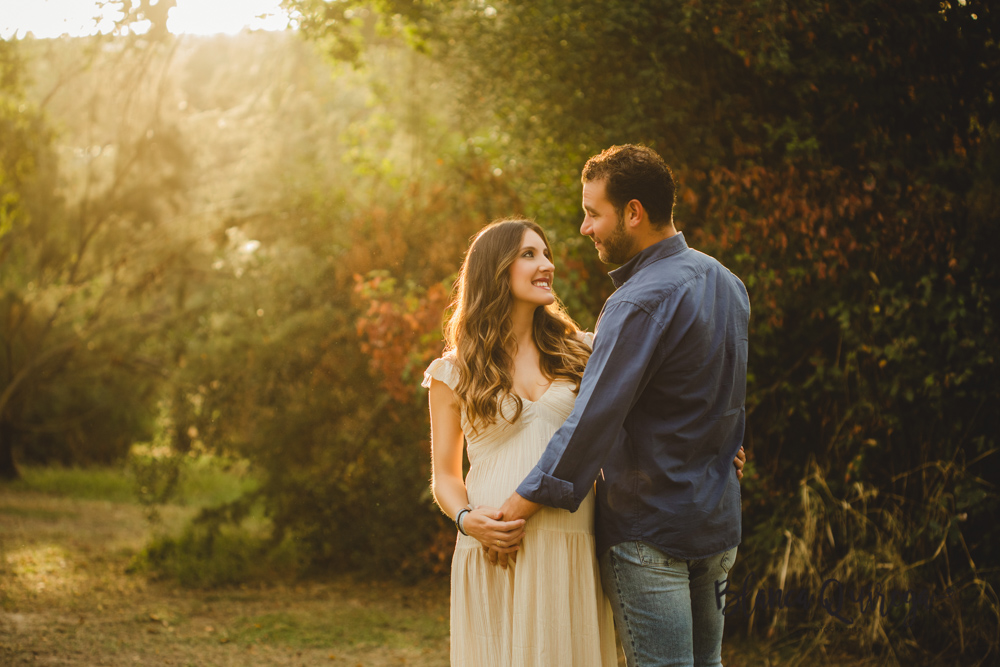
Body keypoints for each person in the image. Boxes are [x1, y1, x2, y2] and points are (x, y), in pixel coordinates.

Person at [424, 216, 745, 666]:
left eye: (546, 253)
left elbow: (660, 407)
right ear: (494, 270)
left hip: (572, 540)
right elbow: (444, 475)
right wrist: (465, 519)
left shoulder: (583, 349)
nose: (546, 265)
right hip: (495, 546)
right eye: (529, 254)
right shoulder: (453, 370)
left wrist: (713, 445)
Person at [495, 145, 751, 667]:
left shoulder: (638, 300)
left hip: (650, 529)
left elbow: (595, 416)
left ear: (633, 213)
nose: (585, 227)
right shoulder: (729, 284)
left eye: (594, 213)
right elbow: (715, 400)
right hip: (717, 523)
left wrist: (522, 501)